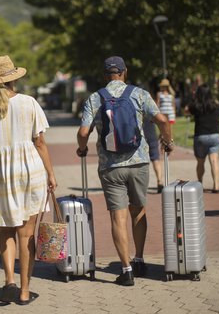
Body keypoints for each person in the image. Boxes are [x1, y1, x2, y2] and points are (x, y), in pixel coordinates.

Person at [76, 56, 173, 286]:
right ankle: (139, 259)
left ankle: (127, 270)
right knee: (138, 212)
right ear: (124, 72)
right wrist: (167, 141)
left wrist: (82, 149)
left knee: (117, 218)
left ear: (104, 75)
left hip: (110, 168)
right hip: (138, 163)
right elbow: (161, 119)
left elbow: (82, 133)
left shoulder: (95, 98)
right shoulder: (139, 94)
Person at [0, 55, 57, 305]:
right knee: (26, 235)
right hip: (29, 172)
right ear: (14, 78)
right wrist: (51, 173)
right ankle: (24, 292)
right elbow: (40, 142)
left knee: (6, 230)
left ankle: (9, 282)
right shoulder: (29, 103)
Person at [185, 84, 219, 193]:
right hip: (215, 136)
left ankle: (200, 183)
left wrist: (193, 98)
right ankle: (216, 186)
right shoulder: (217, 107)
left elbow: (186, 110)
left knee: (200, 162)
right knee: (214, 161)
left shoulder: (196, 107)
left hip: (200, 137)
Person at [143, 117, 164, 193]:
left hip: (139, 137)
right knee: (156, 159)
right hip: (151, 135)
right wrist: (162, 133)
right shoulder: (149, 106)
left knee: (142, 162)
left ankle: (141, 184)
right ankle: (160, 181)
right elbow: (160, 120)